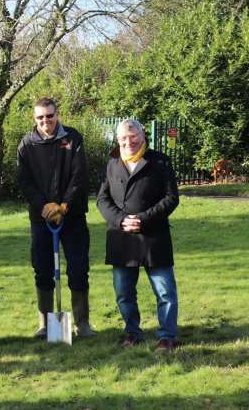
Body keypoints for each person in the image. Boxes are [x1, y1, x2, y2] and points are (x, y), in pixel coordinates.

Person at [96, 119, 180, 351]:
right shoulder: (112, 162)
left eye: (133, 136)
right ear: (118, 140)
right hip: (121, 238)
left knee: (165, 291)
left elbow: (171, 198)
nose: (129, 142)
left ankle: (167, 336)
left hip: (154, 236)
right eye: (123, 138)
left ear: (143, 135)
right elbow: (102, 199)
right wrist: (121, 219)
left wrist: (143, 219)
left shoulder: (160, 161)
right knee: (124, 293)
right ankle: (132, 333)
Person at [17, 97, 95, 338]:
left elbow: (79, 176)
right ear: (35, 119)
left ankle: (82, 323)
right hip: (41, 219)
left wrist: (63, 206)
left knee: (78, 268)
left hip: (72, 216)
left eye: (49, 116)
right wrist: (44, 206)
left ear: (57, 114)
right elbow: (24, 180)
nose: (45, 121)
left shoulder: (72, 138)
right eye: (40, 117)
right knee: (42, 269)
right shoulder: (27, 144)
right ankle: (45, 324)